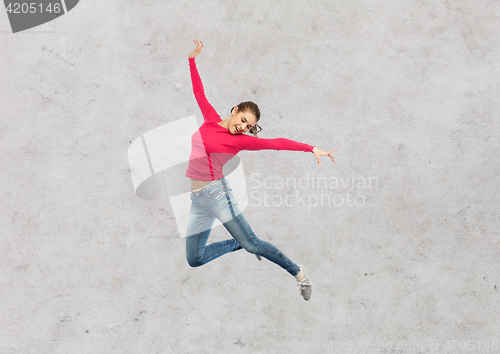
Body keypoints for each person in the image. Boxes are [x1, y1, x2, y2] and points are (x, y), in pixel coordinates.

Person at [184, 39, 337, 301]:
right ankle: (237, 243)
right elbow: (200, 92)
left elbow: (276, 144)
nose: (243, 127)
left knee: (253, 242)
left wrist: (311, 148)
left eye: (248, 126)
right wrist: (192, 60)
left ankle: (298, 272)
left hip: (216, 195)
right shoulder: (210, 119)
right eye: (242, 119)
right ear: (234, 111)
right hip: (197, 200)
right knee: (195, 258)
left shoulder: (241, 140)